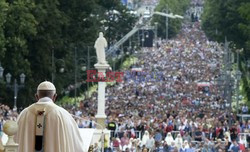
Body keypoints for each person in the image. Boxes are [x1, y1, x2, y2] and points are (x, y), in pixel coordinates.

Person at [15, 81, 84, 152]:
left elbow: (13, 142)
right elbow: (77, 145)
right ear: (55, 97)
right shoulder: (63, 115)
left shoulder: (24, 114)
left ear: (36, 96)